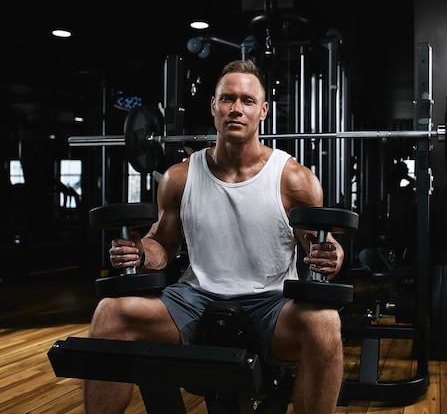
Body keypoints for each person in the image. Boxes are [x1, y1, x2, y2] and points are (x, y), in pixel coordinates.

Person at [84, 59, 346, 414]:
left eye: (247, 101)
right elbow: (162, 242)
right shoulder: (180, 178)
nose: (236, 108)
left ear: (263, 111)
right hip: (193, 300)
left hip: (270, 305)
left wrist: (332, 255)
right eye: (227, 99)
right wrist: (140, 253)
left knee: (325, 322)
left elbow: (319, 245)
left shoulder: (293, 179)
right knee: (110, 313)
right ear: (213, 106)